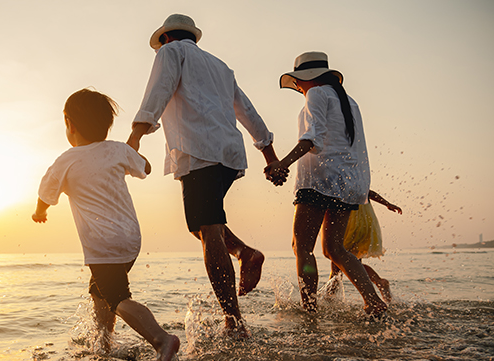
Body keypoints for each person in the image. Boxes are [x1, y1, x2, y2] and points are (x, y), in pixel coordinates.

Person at [127, 14, 285, 338]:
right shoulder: (221, 67)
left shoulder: (170, 53)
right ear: (193, 36)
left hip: (199, 151)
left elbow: (158, 91)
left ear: (166, 38)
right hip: (227, 154)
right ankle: (245, 253)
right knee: (199, 224)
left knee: (208, 229)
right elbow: (247, 110)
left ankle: (234, 321)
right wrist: (269, 155)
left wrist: (135, 136)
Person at [32, 88, 180, 361]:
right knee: (100, 291)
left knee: (117, 297)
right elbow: (145, 168)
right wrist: (128, 155)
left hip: (103, 244)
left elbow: (45, 194)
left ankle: (161, 339)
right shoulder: (117, 149)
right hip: (131, 240)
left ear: (69, 124)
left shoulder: (66, 161)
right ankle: (104, 345)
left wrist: (39, 213)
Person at [264, 51, 387, 317]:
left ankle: (309, 309)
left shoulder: (317, 94)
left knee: (302, 247)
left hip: (320, 181)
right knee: (334, 249)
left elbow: (311, 140)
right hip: (348, 184)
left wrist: (281, 164)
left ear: (308, 78)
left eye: (298, 81)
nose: (298, 86)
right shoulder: (349, 101)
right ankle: (374, 302)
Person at [324, 190, 402, 303]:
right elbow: (368, 192)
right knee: (350, 262)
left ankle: (329, 297)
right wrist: (387, 204)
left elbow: (368, 192)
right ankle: (379, 282)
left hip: (350, 223)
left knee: (338, 259)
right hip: (363, 221)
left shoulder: (341, 179)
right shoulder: (357, 180)